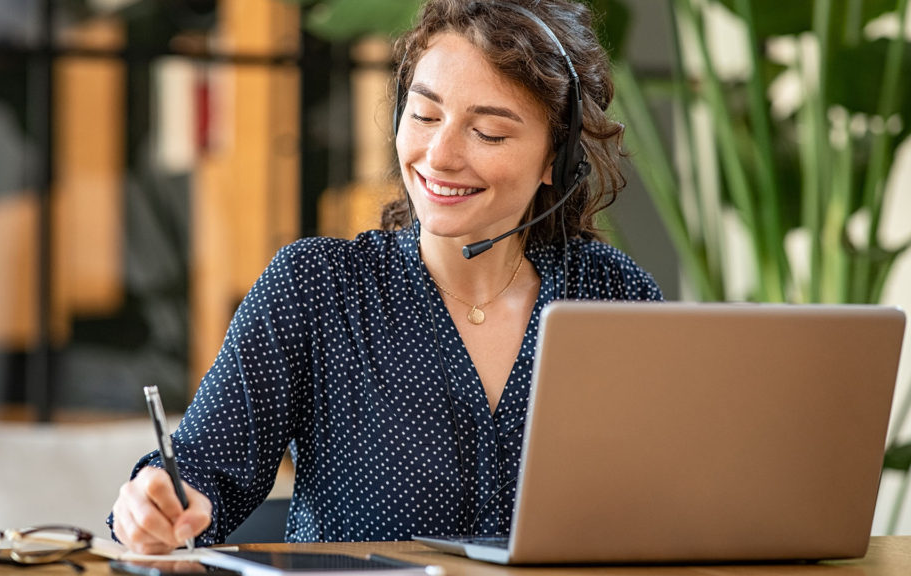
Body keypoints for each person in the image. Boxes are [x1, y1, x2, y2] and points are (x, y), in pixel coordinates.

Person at [110, 0, 662, 553]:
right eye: (424, 115)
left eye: (489, 132)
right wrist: (155, 503)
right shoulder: (317, 288)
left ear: (556, 160)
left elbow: (678, 495)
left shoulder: (614, 297)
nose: (439, 155)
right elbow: (199, 474)